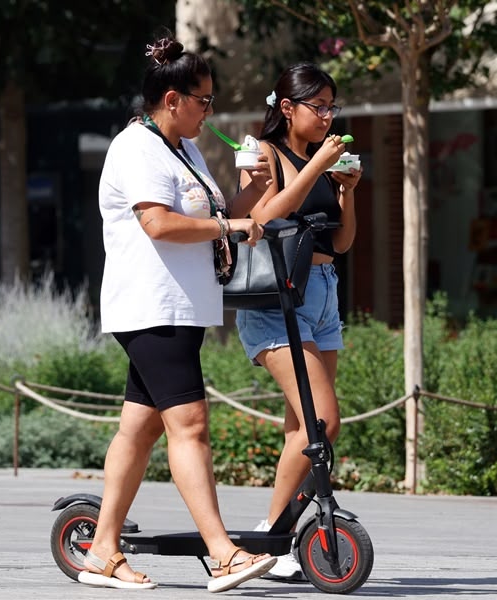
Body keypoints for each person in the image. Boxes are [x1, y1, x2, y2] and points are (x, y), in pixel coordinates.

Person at [83, 36, 277, 592]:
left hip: (181, 307)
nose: (209, 111)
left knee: (138, 431)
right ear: (173, 99)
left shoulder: (184, 147)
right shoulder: (135, 147)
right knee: (189, 425)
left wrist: (253, 188)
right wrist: (228, 226)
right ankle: (222, 554)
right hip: (150, 306)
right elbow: (159, 224)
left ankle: (101, 550)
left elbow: (220, 214)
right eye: (204, 100)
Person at [236, 62, 362, 580]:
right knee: (322, 423)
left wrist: (347, 191)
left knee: (301, 425)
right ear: (286, 108)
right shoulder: (263, 153)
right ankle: (275, 535)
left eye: (333, 106)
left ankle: (278, 541)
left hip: (324, 292)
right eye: (320, 106)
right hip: (278, 299)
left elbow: (341, 242)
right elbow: (261, 218)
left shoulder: (320, 158)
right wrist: (316, 168)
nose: (328, 116)